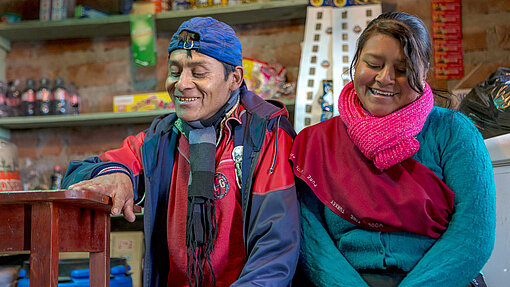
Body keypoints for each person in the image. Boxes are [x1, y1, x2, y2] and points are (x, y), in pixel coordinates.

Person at [62, 17, 300, 287]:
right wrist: (116, 174)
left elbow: (276, 250)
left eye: (198, 73)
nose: (182, 84)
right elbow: (76, 176)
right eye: (175, 71)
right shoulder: (161, 138)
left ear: (234, 78)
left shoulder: (266, 135)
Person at [290, 12, 495, 287]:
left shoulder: (453, 132)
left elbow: (473, 234)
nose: (385, 78)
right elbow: (310, 238)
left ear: (424, 74)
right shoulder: (317, 143)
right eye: (373, 64)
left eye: (402, 70)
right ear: (356, 62)